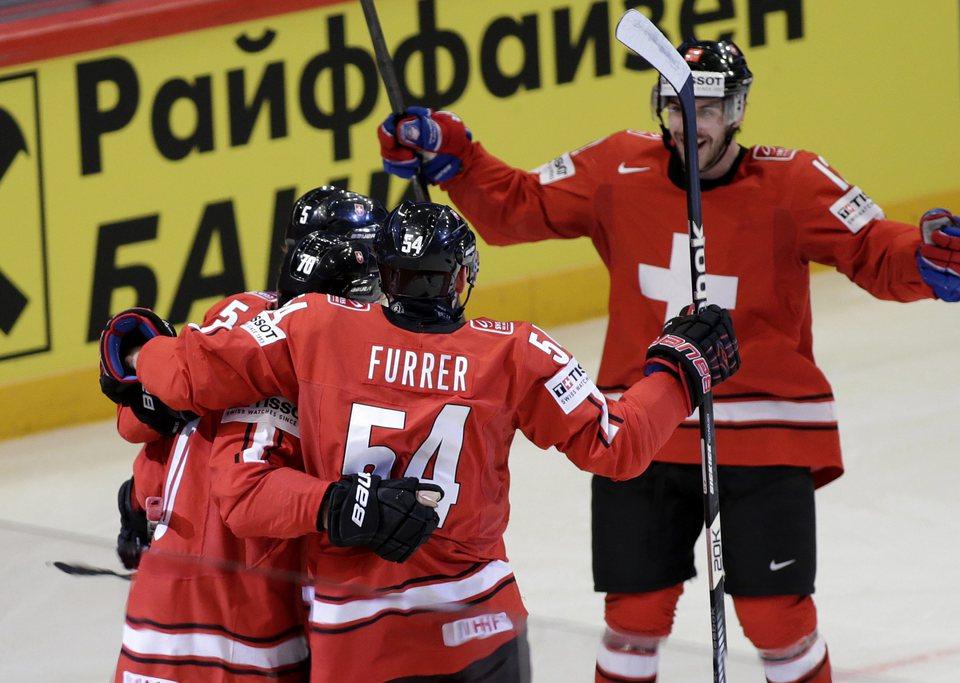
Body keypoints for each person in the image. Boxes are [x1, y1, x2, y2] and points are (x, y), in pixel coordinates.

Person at [375, 40, 960, 683]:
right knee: (632, 616)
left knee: (776, 619)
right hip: (643, 428)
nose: (691, 121)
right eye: (676, 103)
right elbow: (518, 206)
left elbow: (873, 248)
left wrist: (923, 261)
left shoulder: (794, 181)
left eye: (711, 107)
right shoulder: (616, 167)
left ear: (739, 108)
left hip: (762, 431)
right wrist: (457, 158)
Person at [99, 200, 740, 682]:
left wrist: (135, 355)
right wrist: (680, 371)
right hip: (478, 616)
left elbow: (182, 391)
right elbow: (616, 445)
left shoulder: (305, 327)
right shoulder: (514, 349)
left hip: (349, 631)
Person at [104, 188, 442, 681]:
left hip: (163, 601)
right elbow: (245, 487)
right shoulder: (324, 349)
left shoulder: (236, 314)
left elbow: (141, 420)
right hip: (247, 620)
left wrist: (138, 499)